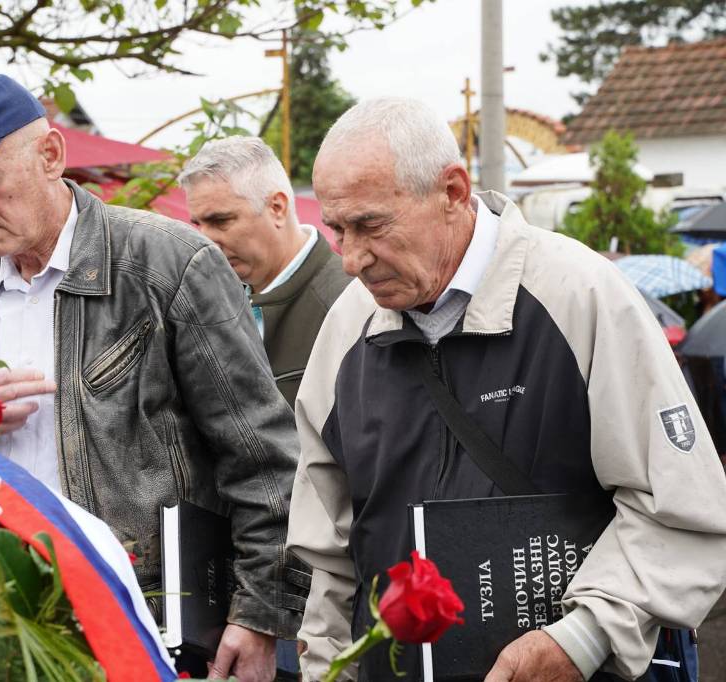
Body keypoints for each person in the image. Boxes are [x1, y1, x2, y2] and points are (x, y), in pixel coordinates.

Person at [286, 97, 726, 681]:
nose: (351, 259)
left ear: (452, 192)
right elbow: (325, 556)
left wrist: (583, 640)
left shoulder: (581, 297)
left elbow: (684, 509)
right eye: (338, 230)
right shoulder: (347, 329)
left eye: (370, 225)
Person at [0, 74, 305, 681]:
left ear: (51, 155)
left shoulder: (170, 263)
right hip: (1, 633)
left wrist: (258, 616)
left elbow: (263, 457)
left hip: (152, 629)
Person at [179, 137, 351, 407]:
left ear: (277, 207)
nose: (206, 240)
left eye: (220, 221)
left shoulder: (349, 302)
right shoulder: (207, 303)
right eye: (198, 224)